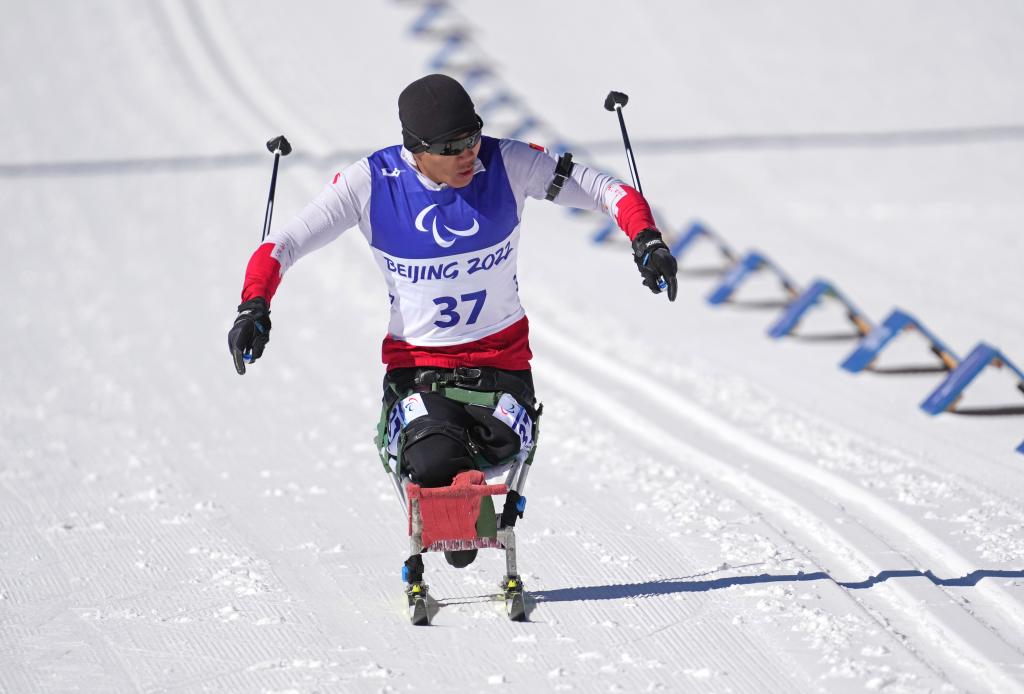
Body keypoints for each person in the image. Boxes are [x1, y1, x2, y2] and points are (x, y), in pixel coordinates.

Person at [227, 73, 677, 578]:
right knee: (431, 460)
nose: (469, 155)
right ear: (416, 150)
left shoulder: (506, 162)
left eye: (473, 138)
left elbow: (606, 189)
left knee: (500, 449)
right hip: (419, 370)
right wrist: (254, 306)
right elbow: (283, 245)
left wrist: (646, 239)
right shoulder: (371, 183)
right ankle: (458, 507)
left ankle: (460, 508)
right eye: (451, 147)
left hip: (502, 368)